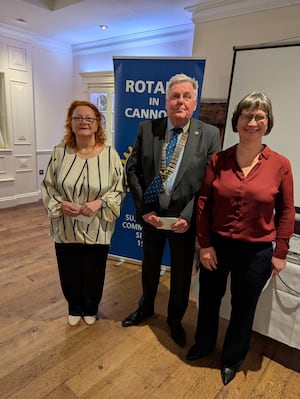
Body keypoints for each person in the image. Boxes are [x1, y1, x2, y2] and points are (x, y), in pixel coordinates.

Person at [186, 92, 295, 385]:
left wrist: (280, 251)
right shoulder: (218, 160)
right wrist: (205, 244)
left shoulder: (281, 165)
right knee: (208, 300)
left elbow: (286, 211)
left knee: (243, 309)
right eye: (247, 115)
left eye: (260, 116)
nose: (253, 122)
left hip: (257, 251)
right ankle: (204, 345)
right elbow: (203, 203)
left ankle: (232, 359)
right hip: (217, 246)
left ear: (268, 123)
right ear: (237, 121)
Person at [121, 73, 221, 347]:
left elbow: (208, 184)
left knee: (180, 275)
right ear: (166, 101)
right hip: (151, 215)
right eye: (175, 96)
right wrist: (143, 210)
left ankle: (175, 320)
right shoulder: (147, 128)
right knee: (149, 267)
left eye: (186, 96)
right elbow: (132, 170)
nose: (180, 101)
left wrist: (187, 217)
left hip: (183, 221)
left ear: (194, 102)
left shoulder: (209, 134)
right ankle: (146, 307)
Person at [41, 100, 125, 327]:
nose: (84, 122)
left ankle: (90, 306)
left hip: (98, 227)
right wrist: (60, 204)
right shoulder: (60, 153)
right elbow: (48, 186)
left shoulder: (110, 155)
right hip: (66, 226)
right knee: (69, 267)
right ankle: (74, 306)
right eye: (78, 118)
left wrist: (100, 202)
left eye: (90, 118)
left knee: (94, 269)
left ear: (98, 124)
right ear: (71, 123)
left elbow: (119, 188)